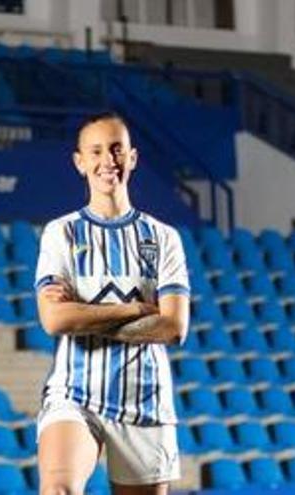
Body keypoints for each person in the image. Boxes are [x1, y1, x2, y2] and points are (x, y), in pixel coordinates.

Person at [34, 111, 191, 495]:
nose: (109, 160)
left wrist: (83, 315)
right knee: (58, 490)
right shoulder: (62, 233)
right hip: (75, 392)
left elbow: (173, 327)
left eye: (117, 149)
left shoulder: (163, 237)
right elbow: (54, 320)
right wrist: (136, 309)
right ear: (80, 162)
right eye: (97, 151)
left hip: (145, 399)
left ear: (132, 157)